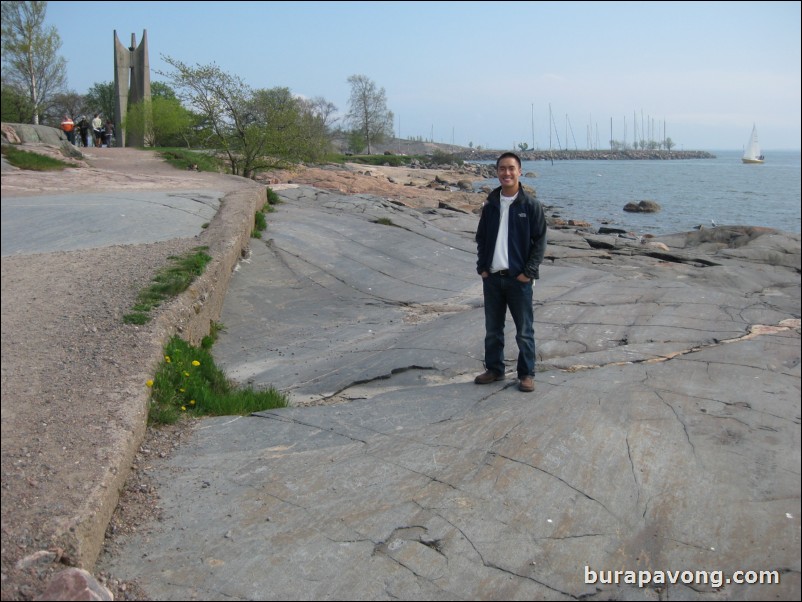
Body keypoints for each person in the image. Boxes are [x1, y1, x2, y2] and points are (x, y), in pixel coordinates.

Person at [474, 152, 547, 392]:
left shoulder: (530, 205)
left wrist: (529, 272)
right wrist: (483, 268)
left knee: (524, 331)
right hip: (493, 279)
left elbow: (540, 242)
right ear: (496, 172)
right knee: (493, 330)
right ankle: (495, 369)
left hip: (519, 280)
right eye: (502, 169)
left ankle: (526, 374)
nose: (507, 173)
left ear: (519, 171)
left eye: (511, 168)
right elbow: (482, 238)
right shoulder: (491, 205)